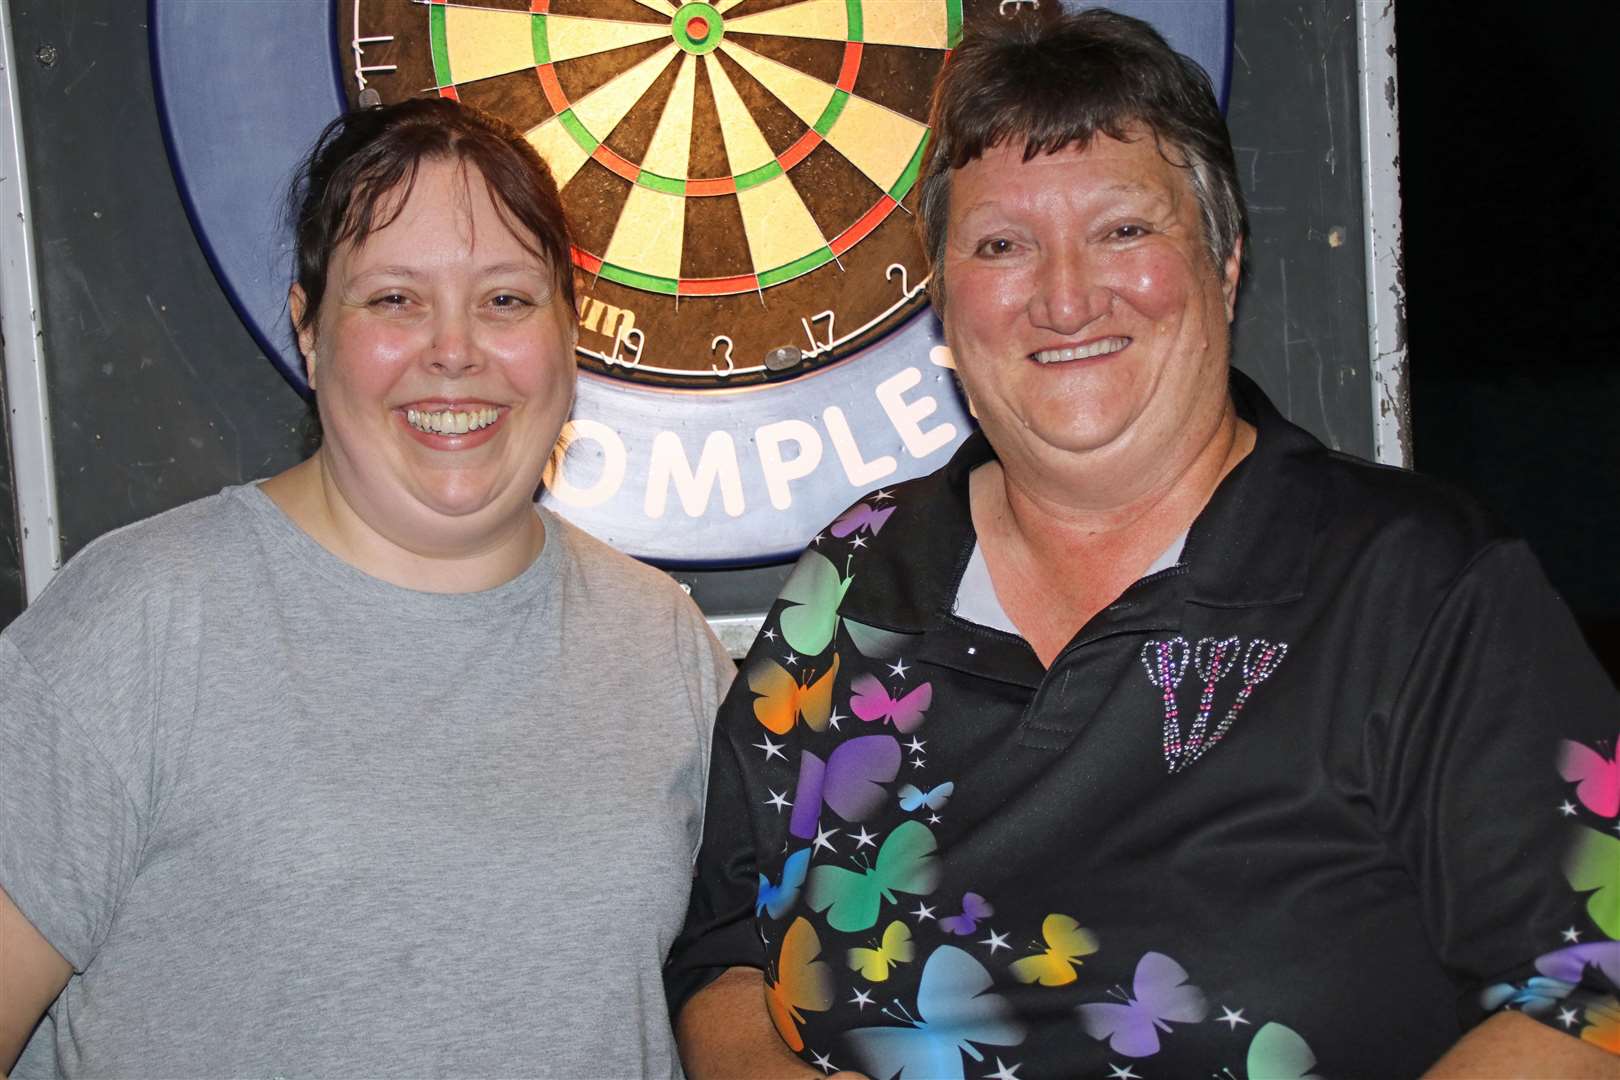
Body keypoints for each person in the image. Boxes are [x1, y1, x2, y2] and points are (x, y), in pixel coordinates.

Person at [664, 10, 1620, 1078]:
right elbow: (722, 951)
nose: (1067, 295)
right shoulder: (852, 581)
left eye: (1123, 229)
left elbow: (1592, 995)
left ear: (1226, 263)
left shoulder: (1418, 588)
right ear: (943, 304)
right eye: (1001, 244)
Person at [0, 98, 733, 1077]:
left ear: (568, 331)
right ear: (309, 333)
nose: (454, 348)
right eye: (394, 299)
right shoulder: (138, 624)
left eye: (507, 299)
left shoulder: (663, 644)